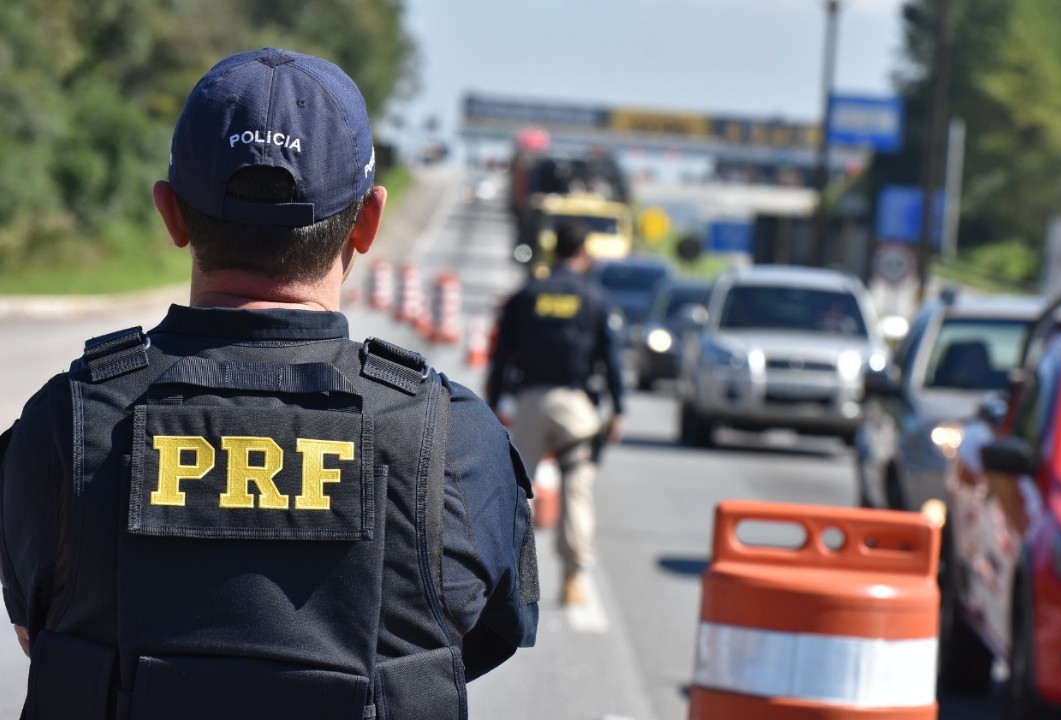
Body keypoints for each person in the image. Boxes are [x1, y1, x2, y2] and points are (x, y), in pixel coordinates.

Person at [0, 48, 537, 720]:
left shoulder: (62, 421)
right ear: (368, 222)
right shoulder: (453, 439)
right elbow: (480, 636)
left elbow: (37, 631)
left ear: (170, 214)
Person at [485, 221, 625, 605]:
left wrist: (495, 399)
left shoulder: (527, 295)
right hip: (574, 408)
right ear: (582, 253)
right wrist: (619, 410)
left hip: (530, 402)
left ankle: (505, 580)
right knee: (577, 489)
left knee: (517, 493)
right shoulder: (594, 299)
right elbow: (610, 359)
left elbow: (500, 355)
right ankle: (573, 579)